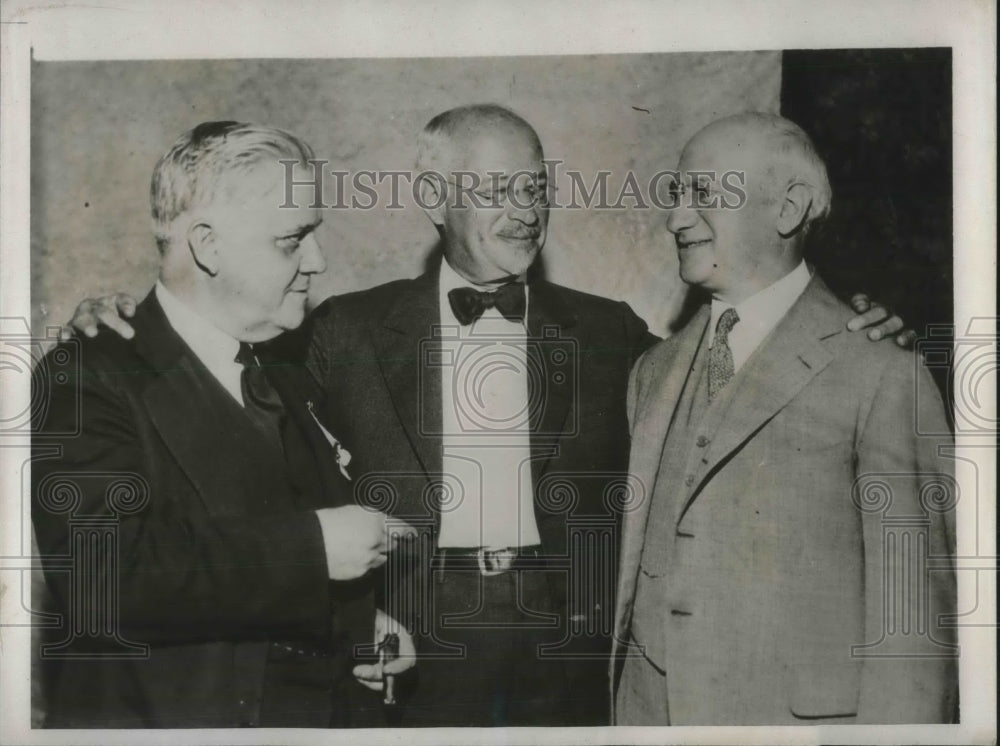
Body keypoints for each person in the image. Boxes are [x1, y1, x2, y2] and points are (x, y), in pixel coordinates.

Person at [65, 105, 906, 727]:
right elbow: (212, 363)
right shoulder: (342, 331)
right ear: (435, 197)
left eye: (536, 188)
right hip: (410, 642)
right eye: (499, 189)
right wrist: (116, 316)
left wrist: (855, 325)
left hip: (568, 651)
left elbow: (736, 375)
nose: (526, 210)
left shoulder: (611, 332)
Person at [31, 121, 414, 729]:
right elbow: (99, 576)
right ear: (207, 246)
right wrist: (312, 551)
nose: (317, 261)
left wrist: (358, 627)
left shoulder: (283, 368)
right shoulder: (87, 374)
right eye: (292, 240)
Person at [611, 112, 957, 725]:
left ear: (788, 208)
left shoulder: (881, 372)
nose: (676, 218)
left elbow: (914, 635)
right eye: (676, 194)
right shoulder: (651, 371)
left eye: (704, 193)